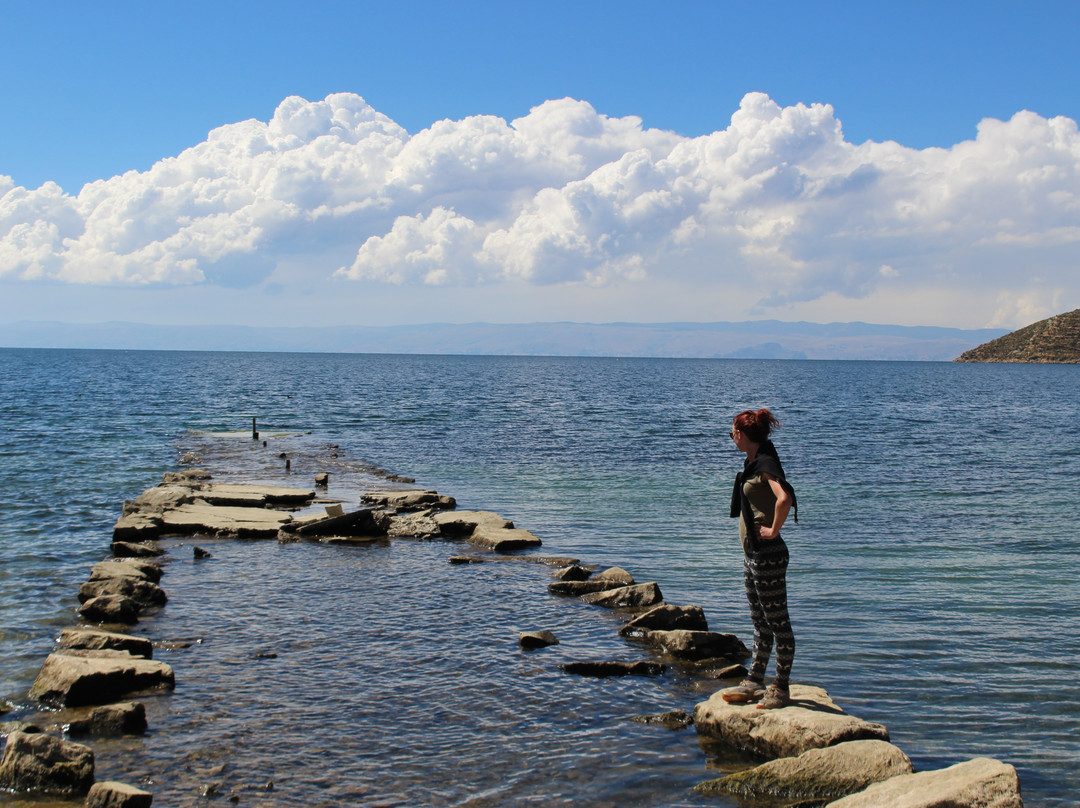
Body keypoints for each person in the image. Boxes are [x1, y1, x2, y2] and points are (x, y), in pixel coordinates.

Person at [721, 408, 798, 710]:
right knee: (759, 622)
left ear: (741, 434)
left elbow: (784, 498)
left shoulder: (765, 463)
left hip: (768, 555)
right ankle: (755, 680)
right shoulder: (754, 460)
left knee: (779, 624)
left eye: (732, 433)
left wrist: (773, 530)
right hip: (752, 554)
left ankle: (780, 688)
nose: (731, 438)